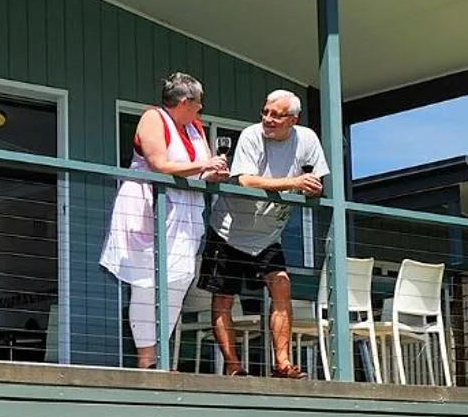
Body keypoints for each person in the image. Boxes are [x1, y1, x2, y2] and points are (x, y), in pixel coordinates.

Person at [98, 72, 229, 367]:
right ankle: (148, 360)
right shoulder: (153, 118)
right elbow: (158, 164)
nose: (200, 110)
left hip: (184, 211)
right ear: (185, 101)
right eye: (198, 104)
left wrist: (213, 173)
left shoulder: (194, 126)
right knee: (145, 282)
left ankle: (162, 355)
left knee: (180, 277)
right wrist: (204, 165)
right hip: (149, 206)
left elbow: (201, 170)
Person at [199, 89, 329, 378]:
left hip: (269, 234)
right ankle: (233, 367)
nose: (267, 119)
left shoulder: (307, 140)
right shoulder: (251, 135)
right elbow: (244, 180)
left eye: (276, 115)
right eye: (265, 112)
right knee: (223, 297)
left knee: (281, 284)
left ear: (293, 120)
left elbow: (316, 181)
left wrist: (313, 188)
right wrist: (293, 181)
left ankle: (282, 363)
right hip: (228, 230)